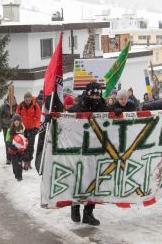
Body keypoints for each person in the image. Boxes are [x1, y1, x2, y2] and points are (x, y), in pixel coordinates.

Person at [67, 82, 108, 226]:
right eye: (93, 94)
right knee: (79, 180)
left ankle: (88, 213)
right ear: (88, 93)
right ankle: (75, 207)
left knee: (94, 182)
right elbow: (65, 120)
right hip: (80, 150)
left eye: (98, 94)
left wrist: (116, 112)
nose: (96, 97)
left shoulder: (104, 107)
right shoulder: (79, 107)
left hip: (97, 150)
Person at [16, 92, 41, 170]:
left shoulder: (35, 106)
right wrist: (18, 127)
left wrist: (37, 127)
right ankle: (25, 163)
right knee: (24, 146)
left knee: (31, 146)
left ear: (31, 99)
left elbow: (38, 118)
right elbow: (17, 117)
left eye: (29, 100)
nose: (28, 101)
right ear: (24, 99)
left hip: (32, 129)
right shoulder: (20, 106)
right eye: (26, 100)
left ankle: (29, 161)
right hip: (23, 129)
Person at [6, 115, 27, 181]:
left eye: (18, 120)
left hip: (20, 151)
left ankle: (19, 176)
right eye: (15, 120)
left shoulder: (23, 129)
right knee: (14, 164)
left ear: (20, 121)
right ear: (13, 122)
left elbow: (25, 139)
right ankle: (16, 173)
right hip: (13, 150)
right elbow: (7, 140)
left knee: (19, 163)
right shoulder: (10, 130)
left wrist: (24, 144)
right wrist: (11, 145)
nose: (16, 122)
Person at [0, 96, 17, 165]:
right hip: (6, 127)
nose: (12, 101)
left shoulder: (17, 107)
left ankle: (15, 157)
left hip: (15, 127)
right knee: (8, 142)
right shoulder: (3, 107)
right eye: (11, 100)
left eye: (13, 100)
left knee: (15, 142)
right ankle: (8, 158)